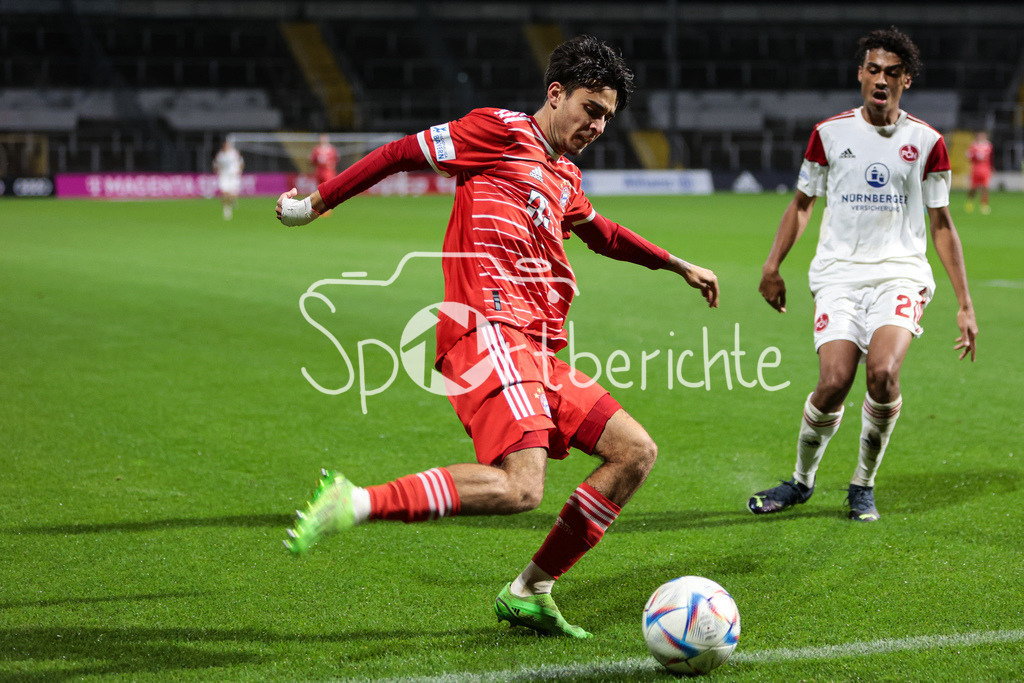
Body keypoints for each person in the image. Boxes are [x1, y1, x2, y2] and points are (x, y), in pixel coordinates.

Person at [275, 35, 719, 638]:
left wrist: (677, 264)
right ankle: (355, 502)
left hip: (535, 348)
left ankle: (531, 589)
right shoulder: (499, 131)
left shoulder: (564, 175)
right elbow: (401, 152)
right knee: (521, 487)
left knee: (635, 453)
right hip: (487, 330)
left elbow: (604, 234)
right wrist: (313, 205)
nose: (597, 126)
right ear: (556, 94)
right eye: (590, 109)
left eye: (607, 117)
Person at [748, 26, 978, 522]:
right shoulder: (829, 134)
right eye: (873, 70)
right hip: (838, 275)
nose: (881, 79)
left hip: (900, 273)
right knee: (833, 382)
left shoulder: (928, 141)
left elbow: (941, 223)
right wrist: (772, 264)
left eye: (892, 73)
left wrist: (964, 303)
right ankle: (801, 481)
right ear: (860, 74)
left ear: (906, 80)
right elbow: (802, 204)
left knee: (883, 374)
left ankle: (862, 485)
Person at [213, 139, 244, 220]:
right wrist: (217, 171)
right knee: (224, 193)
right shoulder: (220, 155)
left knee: (232, 194)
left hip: (233, 176)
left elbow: (241, 162)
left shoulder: (234, 154)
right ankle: (227, 210)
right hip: (224, 176)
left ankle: (233, 200)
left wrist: (239, 170)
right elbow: (216, 165)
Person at [965, 130, 993, 215]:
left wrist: (991, 167)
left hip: (985, 169)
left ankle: (984, 205)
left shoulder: (988, 146)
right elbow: (970, 158)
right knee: (974, 188)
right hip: (976, 169)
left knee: (985, 187)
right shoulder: (973, 146)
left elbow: (990, 158)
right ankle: (970, 202)